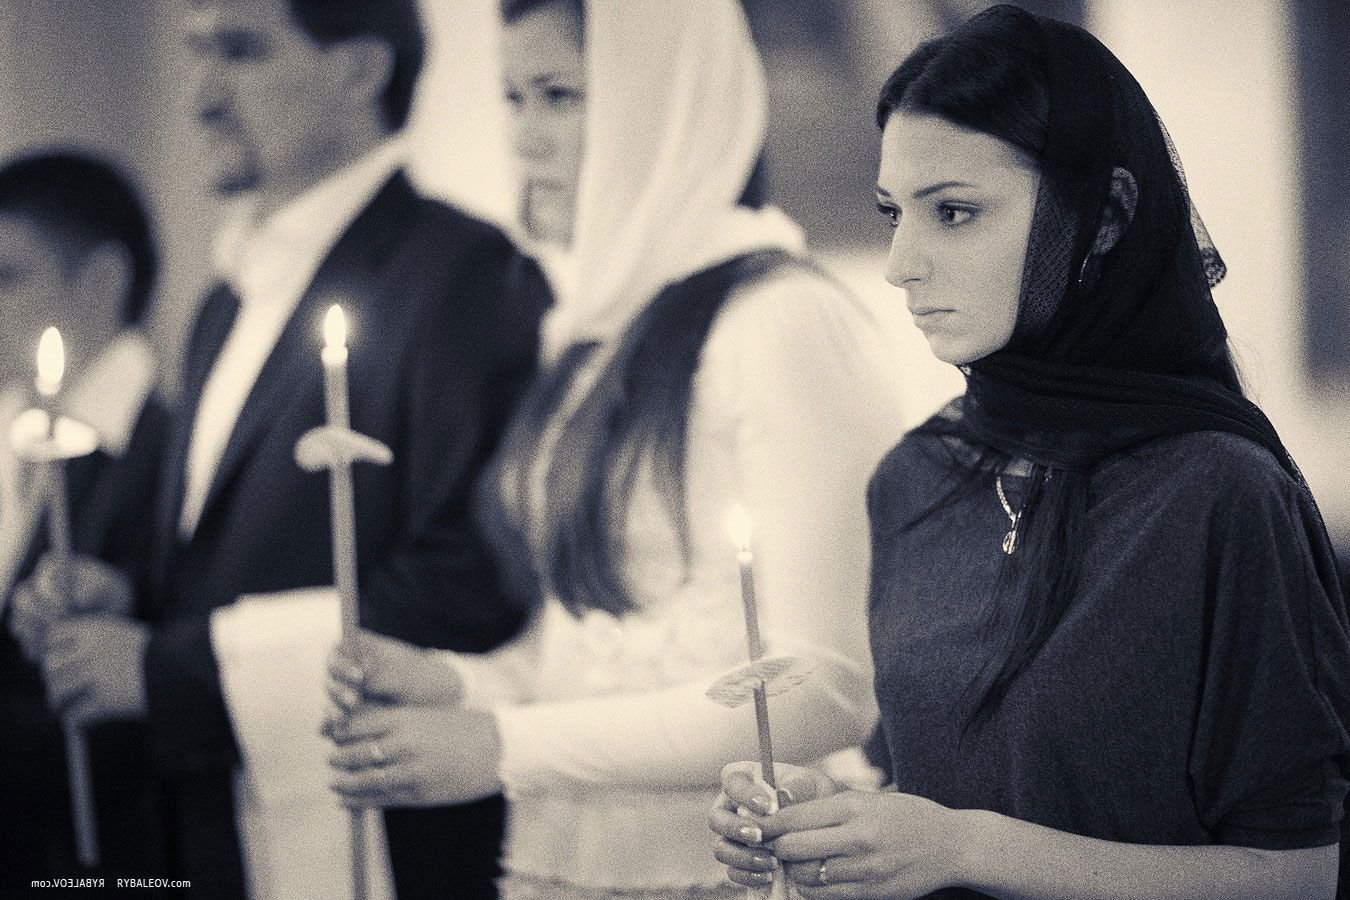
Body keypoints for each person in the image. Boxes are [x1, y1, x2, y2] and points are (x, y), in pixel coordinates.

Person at [711, 6, 1350, 899]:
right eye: (893, 214)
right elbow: (930, 783)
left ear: (1104, 216)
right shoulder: (917, 478)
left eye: (955, 212)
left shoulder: (1220, 492)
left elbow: (1304, 873)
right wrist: (838, 815)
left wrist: (966, 848)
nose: (901, 262)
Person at [323, 1, 908, 898]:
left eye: (560, 96)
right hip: (572, 861)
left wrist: (502, 745)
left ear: (665, 100)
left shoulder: (782, 320)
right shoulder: (596, 332)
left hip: (728, 864)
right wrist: (455, 685)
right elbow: (586, 652)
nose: (526, 137)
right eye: (513, 98)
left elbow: (824, 685)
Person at [16, 0, 548, 896]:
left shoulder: (465, 272)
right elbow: (228, 560)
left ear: (360, 70)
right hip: (216, 820)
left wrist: (165, 672)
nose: (201, 93)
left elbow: (472, 578)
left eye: (240, 51)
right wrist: (129, 596)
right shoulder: (222, 303)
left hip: (378, 833)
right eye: (196, 52)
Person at [0, 151, 169, 892]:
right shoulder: (9, 421)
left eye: (7, 275)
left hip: (96, 858)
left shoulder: (168, 453)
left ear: (102, 280)